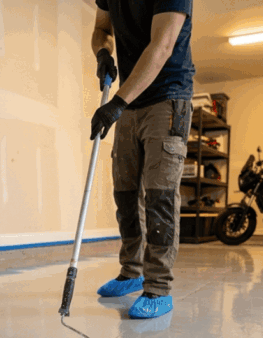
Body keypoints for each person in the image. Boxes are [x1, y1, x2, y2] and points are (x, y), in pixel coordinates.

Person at [89, 0, 194, 319]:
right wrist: (103, 52)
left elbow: (162, 46)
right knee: (124, 193)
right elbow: (100, 28)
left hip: (168, 96)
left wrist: (117, 103)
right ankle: (131, 271)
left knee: (159, 196)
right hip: (130, 99)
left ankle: (158, 287)